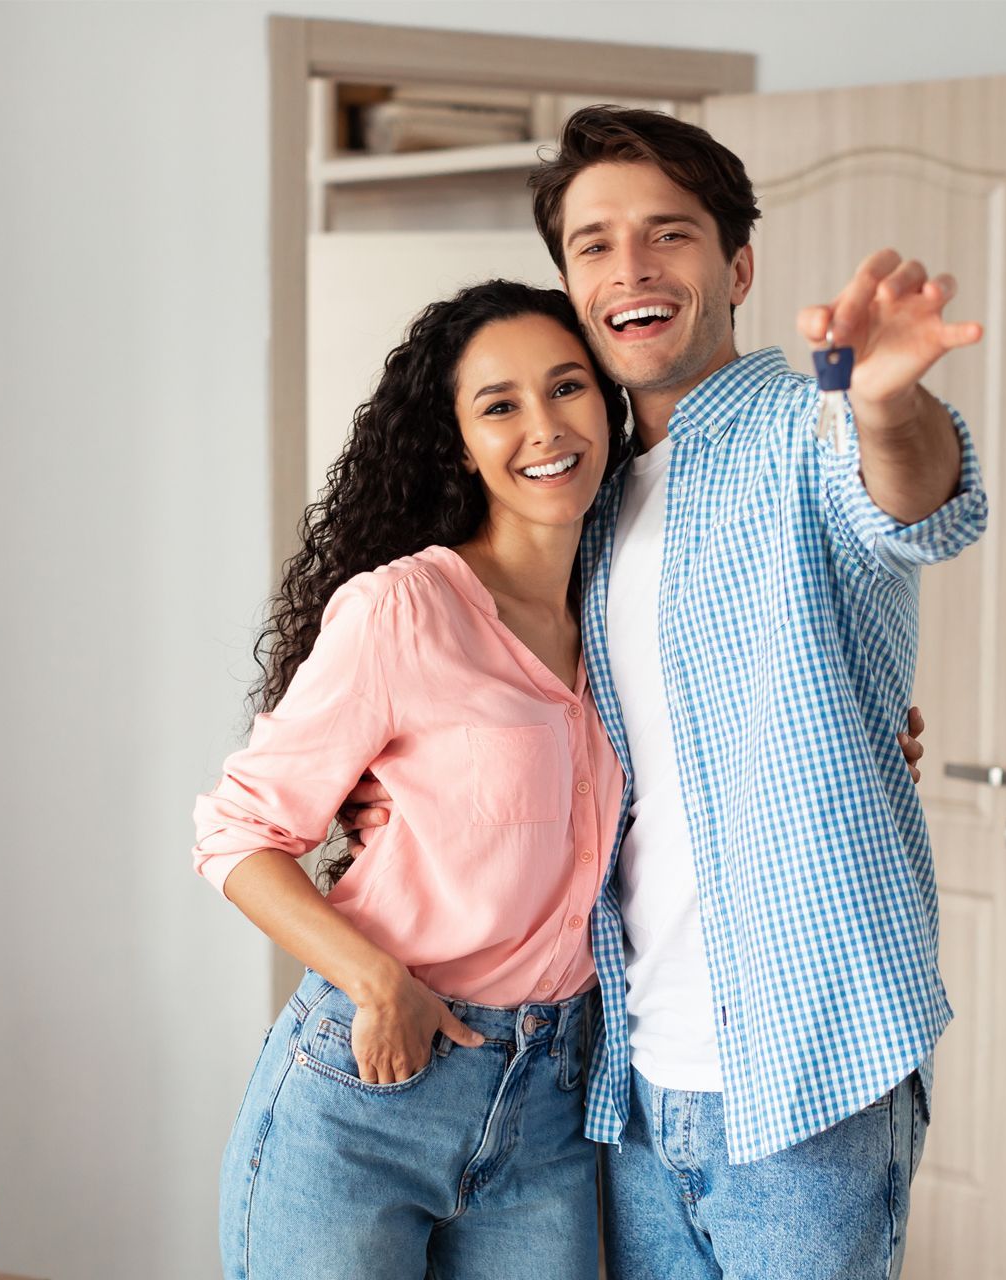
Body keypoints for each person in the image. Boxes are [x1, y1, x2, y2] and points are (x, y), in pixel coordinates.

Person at [348, 105, 988, 1278]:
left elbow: (905, 498)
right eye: (593, 243)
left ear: (735, 264)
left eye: (669, 235)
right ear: (569, 283)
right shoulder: (581, 506)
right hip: (630, 1076)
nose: (630, 267)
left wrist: (887, 401)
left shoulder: (810, 428)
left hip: (804, 1062)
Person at [192, 281, 631, 1280]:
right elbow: (235, 834)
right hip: (372, 1088)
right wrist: (374, 976)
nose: (545, 426)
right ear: (460, 443)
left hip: (550, 1102)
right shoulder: (405, 609)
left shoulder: (620, 608)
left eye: (568, 387)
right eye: (500, 404)